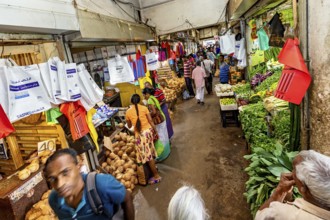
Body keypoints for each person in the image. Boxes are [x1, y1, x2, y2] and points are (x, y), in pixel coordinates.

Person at [44, 148, 135, 219]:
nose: (60, 184)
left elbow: (127, 197)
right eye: (52, 179)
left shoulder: (102, 184)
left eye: (65, 172)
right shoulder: (54, 199)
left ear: (78, 167)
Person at [256, 150, 330, 220]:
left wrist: (279, 191)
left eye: (294, 169)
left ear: (303, 186)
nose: (292, 172)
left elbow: (259, 217)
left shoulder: (280, 213)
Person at [125, 94, 162, 184]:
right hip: (148, 132)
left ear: (131, 101)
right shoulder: (144, 108)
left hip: (141, 135)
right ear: (139, 100)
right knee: (150, 152)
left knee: (148, 157)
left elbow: (129, 125)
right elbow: (150, 121)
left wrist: (130, 121)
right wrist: (155, 131)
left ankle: (156, 176)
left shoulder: (128, 112)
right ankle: (154, 169)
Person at [142, 88, 171, 162]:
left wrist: (147, 115)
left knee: (160, 137)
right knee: (164, 135)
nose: (144, 96)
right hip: (161, 117)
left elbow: (154, 112)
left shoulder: (149, 100)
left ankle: (162, 155)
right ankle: (167, 152)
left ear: (147, 94)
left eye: (144, 95)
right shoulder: (153, 97)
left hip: (158, 120)